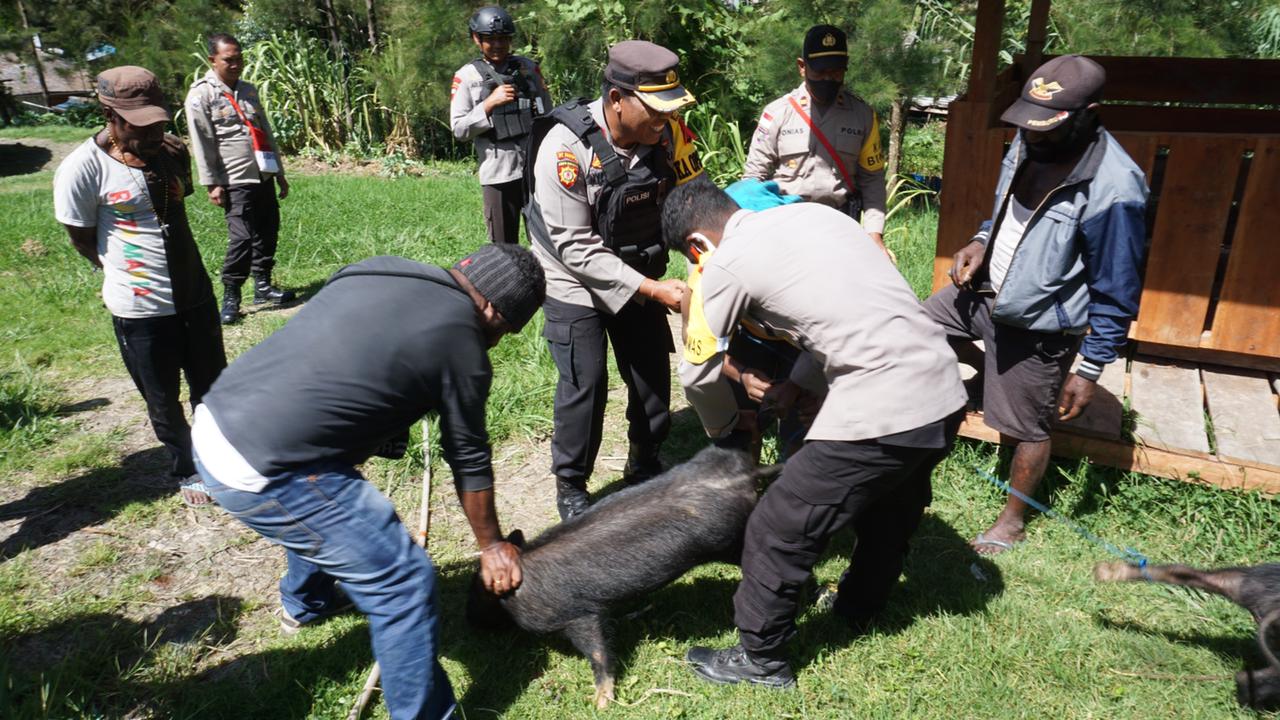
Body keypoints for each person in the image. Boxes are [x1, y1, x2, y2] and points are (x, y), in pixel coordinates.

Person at [190, 244, 544, 720]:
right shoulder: (463, 343)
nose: (496, 343)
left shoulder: (383, 268)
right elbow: (468, 455)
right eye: (503, 331)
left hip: (217, 419)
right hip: (261, 467)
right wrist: (491, 545)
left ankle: (307, 602)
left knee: (331, 498)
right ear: (491, 308)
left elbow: (350, 348)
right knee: (402, 579)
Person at [665, 178, 967, 688]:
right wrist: (795, 385)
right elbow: (835, 312)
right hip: (943, 390)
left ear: (698, 245)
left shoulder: (727, 262)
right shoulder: (820, 218)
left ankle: (760, 659)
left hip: (885, 405)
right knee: (889, 507)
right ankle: (859, 607)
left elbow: (697, 372)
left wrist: (729, 428)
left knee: (777, 526)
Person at [924, 54, 1147, 556]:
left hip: (1038, 319)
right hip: (983, 292)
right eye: (1029, 124)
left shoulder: (1115, 188)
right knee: (914, 327)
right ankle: (993, 375)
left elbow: (1117, 288)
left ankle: (1012, 520)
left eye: (1047, 127)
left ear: (1090, 112)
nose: (1033, 136)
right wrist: (981, 241)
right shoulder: (1030, 140)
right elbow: (1007, 210)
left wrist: (1089, 369)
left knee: (1027, 425)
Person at [524, 40, 704, 520]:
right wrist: (653, 290)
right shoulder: (565, 147)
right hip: (572, 280)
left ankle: (644, 462)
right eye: (654, 110)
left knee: (651, 378)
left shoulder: (668, 136)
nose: (663, 121)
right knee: (586, 383)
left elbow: (694, 200)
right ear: (617, 98)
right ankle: (572, 485)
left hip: (639, 270)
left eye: (670, 110)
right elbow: (575, 246)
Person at [53, 66, 226, 507]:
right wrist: (116, 271)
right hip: (140, 306)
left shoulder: (171, 150)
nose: (153, 132)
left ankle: (219, 458)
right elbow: (80, 235)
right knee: (162, 394)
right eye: (140, 123)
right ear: (109, 113)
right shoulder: (82, 168)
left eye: (158, 121)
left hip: (194, 293)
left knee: (212, 384)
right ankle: (186, 467)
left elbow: (173, 205)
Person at [742, 24, 889, 255]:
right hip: (785, 225)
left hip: (840, 225)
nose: (828, 79)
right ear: (802, 67)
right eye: (820, 72)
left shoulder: (862, 116)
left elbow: (872, 180)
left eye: (836, 72)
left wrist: (874, 234)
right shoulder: (778, 113)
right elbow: (753, 177)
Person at [185, 32, 295, 325]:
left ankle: (263, 286)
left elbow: (265, 132)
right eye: (229, 60)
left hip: (262, 172)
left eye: (239, 59)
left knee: (267, 228)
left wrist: (279, 173)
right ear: (213, 60)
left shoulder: (249, 90)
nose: (236, 65)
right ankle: (231, 294)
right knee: (242, 236)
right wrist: (212, 183)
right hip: (234, 177)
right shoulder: (201, 94)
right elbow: (202, 141)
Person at [450, 5, 552, 245]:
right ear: (477, 39)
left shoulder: (529, 69)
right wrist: (488, 105)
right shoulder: (467, 77)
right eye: (491, 39)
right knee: (504, 248)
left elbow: (547, 114)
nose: (498, 45)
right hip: (498, 173)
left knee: (546, 243)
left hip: (535, 170)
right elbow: (459, 129)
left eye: (503, 39)